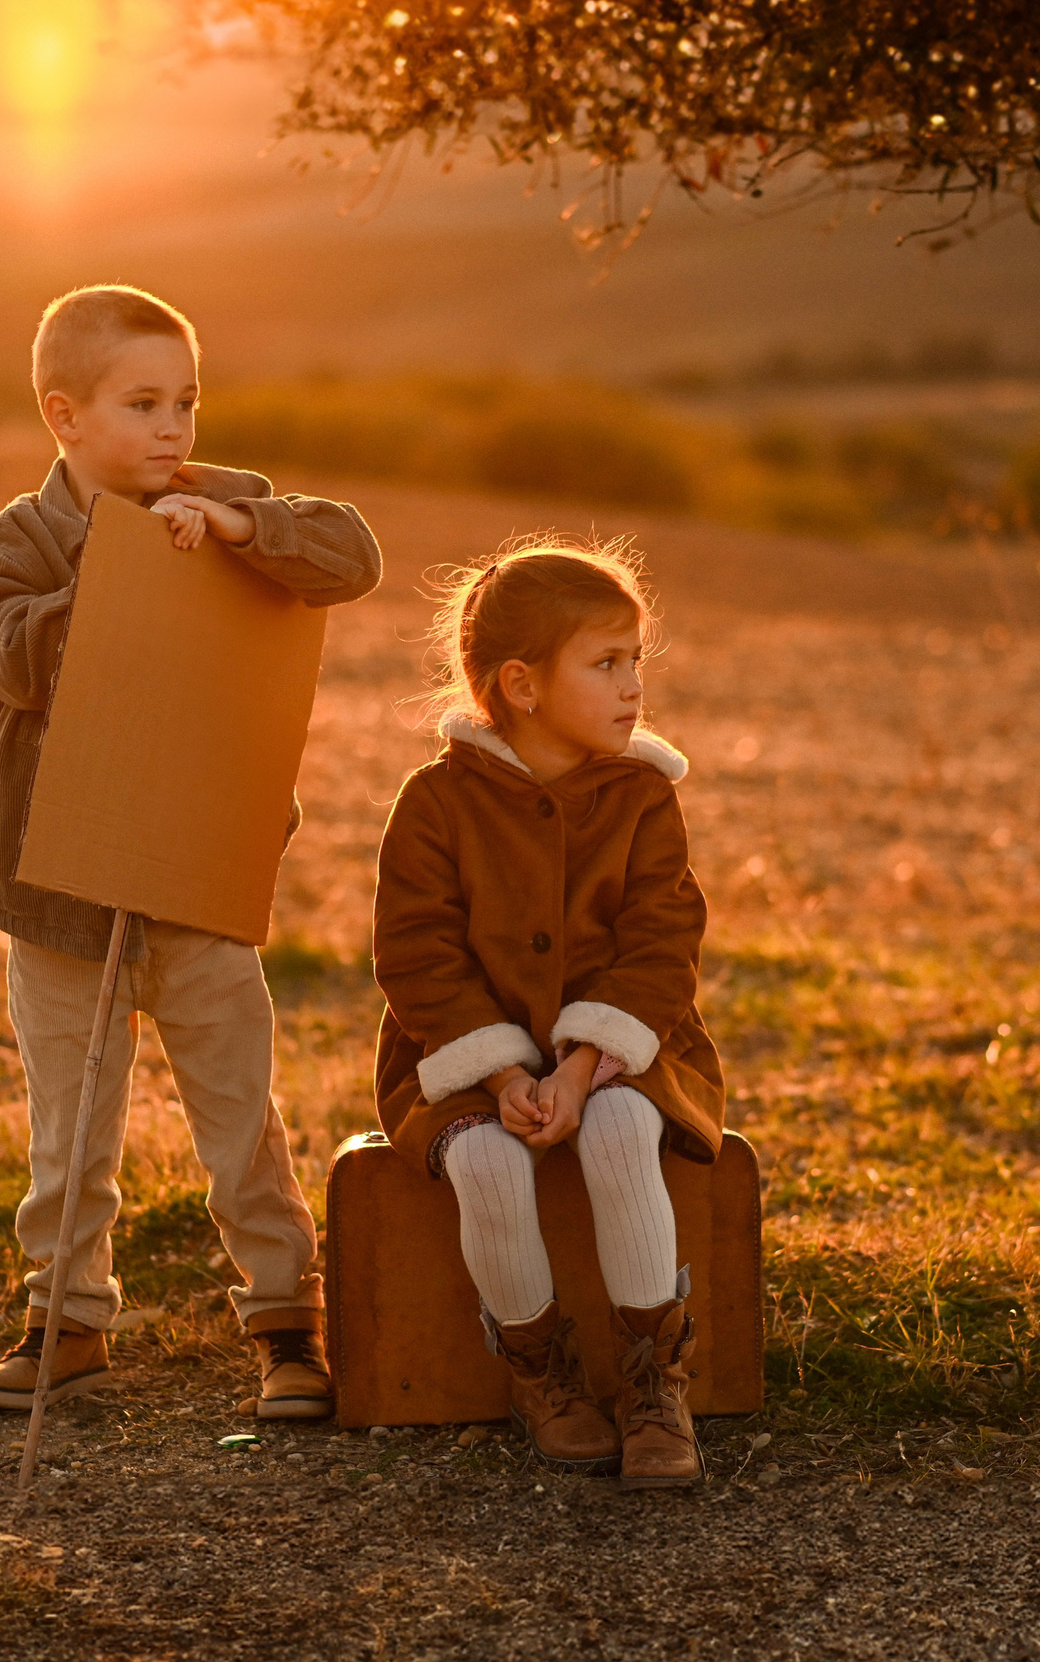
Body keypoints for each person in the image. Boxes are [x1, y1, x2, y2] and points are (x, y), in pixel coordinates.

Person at [0, 284, 380, 1418]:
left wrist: (237, 532)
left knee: (240, 1120)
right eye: (141, 403)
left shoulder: (223, 503)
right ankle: (66, 1320)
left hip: (199, 885)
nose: (173, 428)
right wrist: (130, 564)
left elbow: (350, 554)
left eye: (186, 400)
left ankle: (289, 1325)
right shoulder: (8, 548)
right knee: (70, 1131)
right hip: (57, 904)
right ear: (65, 415)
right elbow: (15, 666)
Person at [371, 541, 725, 1488]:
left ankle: (657, 1380)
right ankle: (541, 1372)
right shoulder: (436, 802)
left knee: (615, 1133)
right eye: (606, 663)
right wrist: (500, 1073)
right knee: (485, 1156)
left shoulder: (646, 796)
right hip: (458, 1058)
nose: (632, 685)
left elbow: (661, 945)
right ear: (522, 685)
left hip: (628, 1052)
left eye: (636, 660)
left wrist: (577, 1067)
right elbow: (417, 954)